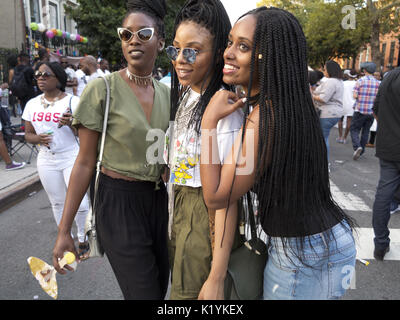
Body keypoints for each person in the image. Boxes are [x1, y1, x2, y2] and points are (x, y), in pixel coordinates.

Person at [200, 6, 356, 300]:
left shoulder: (264, 117)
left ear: (269, 57)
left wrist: (209, 122)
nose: (228, 53)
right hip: (328, 242)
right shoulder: (291, 104)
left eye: (243, 47)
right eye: (230, 42)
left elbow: (217, 196)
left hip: (300, 257)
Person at [52, 0, 170, 300]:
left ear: (161, 41)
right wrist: (65, 230)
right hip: (117, 202)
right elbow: (84, 162)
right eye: (126, 34)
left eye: (143, 34)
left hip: (158, 201)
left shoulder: (170, 94)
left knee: (159, 288)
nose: (133, 41)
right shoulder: (102, 89)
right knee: (144, 293)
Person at [164, 0, 243, 300]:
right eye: (175, 48)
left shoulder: (224, 109)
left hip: (204, 221)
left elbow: (226, 199)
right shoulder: (188, 94)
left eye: (193, 50)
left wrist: (217, 277)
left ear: (218, 53)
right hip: (181, 210)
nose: (181, 59)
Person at [22, 62, 90, 259]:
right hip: (46, 160)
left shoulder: (74, 102)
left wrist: (71, 124)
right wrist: (37, 139)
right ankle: (66, 238)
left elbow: (84, 134)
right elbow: (28, 134)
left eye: (46, 74)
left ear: (58, 78)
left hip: (72, 156)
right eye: (38, 74)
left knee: (82, 203)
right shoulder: (32, 104)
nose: (40, 77)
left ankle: (83, 237)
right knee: (58, 203)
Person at [372, 66, 400, 260]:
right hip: (390, 143)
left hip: (389, 144)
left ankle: (380, 243)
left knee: (384, 194)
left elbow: (376, 109)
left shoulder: (390, 77)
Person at [312, 60, 344, 162]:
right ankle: (324, 163)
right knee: (324, 138)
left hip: (327, 113)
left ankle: (323, 163)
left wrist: (311, 95)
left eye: (325, 69)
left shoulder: (331, 82)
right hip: (335, 113)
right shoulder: (339, 81)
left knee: (322, 139)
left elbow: (323, 98)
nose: (324, 71)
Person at [350, 61, 380, 160]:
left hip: (360, 110)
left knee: (354, 129)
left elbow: (354, 95)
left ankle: (357, 147)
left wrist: (361, 96)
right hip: (371, 111)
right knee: (366, 131)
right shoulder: (378, 83)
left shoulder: (360, 81)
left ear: (365, 70)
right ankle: (361, 151)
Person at [337, 69, 357, 144]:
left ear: (348, 75)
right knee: (349, 122)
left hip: (342, 103)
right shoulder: (357, 83)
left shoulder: (343, 83)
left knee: (340, 120)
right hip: (352, 105)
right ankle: (345, 138)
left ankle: (340, 136)